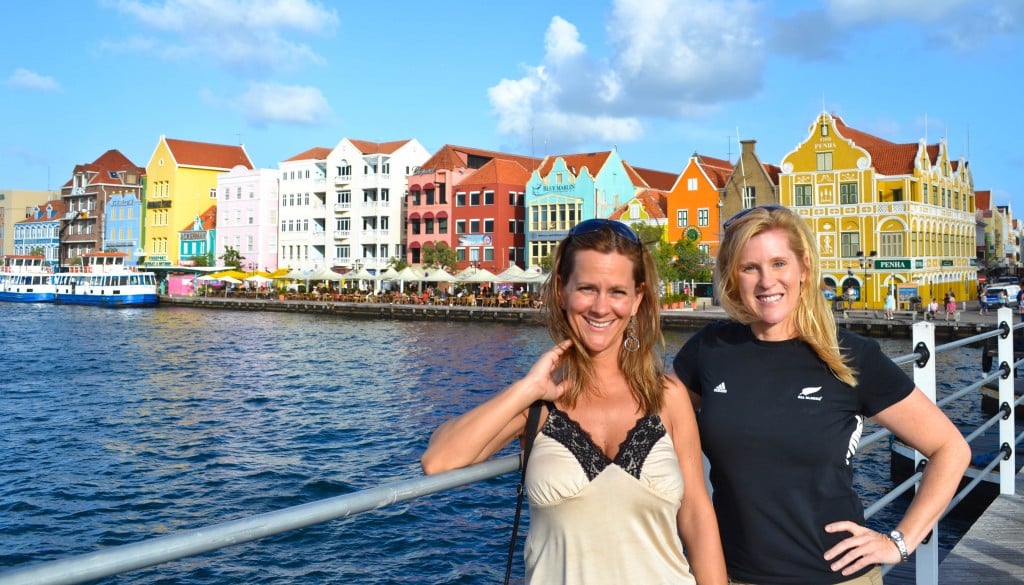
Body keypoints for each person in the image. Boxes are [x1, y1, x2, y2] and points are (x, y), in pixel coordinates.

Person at [671, 206, 969, 585]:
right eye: (750, 268)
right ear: (733, 276)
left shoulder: (848, 355)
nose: (767, 281)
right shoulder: (708, 350)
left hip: (836, 577)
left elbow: (951, 448)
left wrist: (900, 541)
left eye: (779, 263)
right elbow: (648, 420)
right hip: (732, 575)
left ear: (804, 268)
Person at [422, 218, 726, 585]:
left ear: (637, 299)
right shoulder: (538, 403)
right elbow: (439, 460)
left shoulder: (667, 397)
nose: (600, 307)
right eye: (586, 288)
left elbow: (696, 515)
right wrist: (528, 387)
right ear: (562, 291)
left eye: (617, 291)